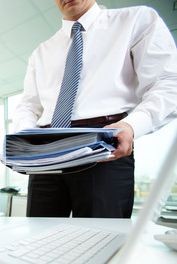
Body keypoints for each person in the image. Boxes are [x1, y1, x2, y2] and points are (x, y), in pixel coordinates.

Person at [13, 0, 177, 218]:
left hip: (104, 143)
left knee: (100, 237)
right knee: (38, 235)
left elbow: (167, 82)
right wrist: (28, 135)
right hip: (47, 148)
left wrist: (131, 126)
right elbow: (28, 104)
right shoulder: (41, 52)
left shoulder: (136, 20)